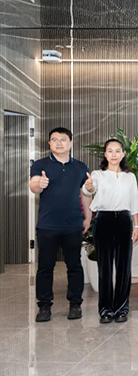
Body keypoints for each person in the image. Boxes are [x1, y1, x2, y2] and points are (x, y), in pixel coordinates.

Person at [29, 127, 92, 322]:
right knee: (45, 267)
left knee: (74, 266)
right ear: (49, 143)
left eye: (63, 139)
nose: (58, 143)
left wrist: (88, 217)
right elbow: (33, 185)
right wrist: (39, 184)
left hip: (73, 224)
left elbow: (85, 193)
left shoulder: (80, 167)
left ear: (70, 143)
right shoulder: (40, 165)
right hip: (47, 225)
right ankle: (44, 306)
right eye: (54, 139)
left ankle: (75, 304)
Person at [82, 138, 138, 323]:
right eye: (110, 151)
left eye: (117, 151)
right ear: (105, 154)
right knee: (105, 267)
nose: (114, 154)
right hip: (104, 221)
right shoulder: (98, 175)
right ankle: (106, 310)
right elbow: (89, 189)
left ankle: (122, 308)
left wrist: (136, 225)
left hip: (124, 220)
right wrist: (89, 186)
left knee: (124, 267)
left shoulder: (130, 177)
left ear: (123, 154)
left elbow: (134, 202)